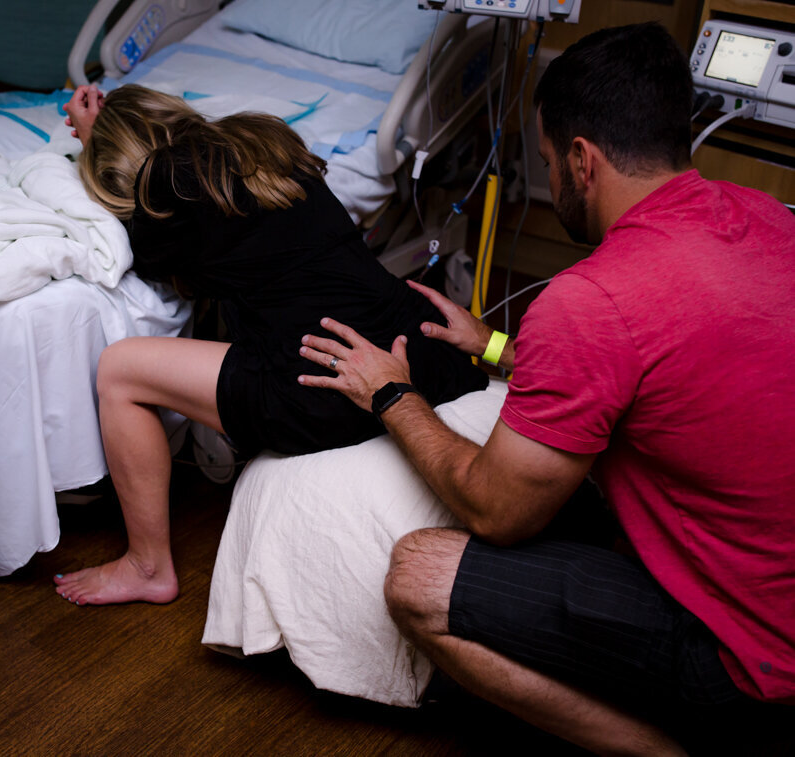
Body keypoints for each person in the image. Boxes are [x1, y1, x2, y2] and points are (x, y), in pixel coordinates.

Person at [297, 23, 794, 756]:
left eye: (549, 157)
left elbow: (498, 513)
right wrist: (495, 345)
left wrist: (392, 394)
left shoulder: (591, 298)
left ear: (582, 161)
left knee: (418, 576)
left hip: (753, 663)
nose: (553, 175)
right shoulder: (764, 218)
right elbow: (665, 365)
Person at [52, 83, 488, 606]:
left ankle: (147, 565)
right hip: (418, 349)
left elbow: (151, 259)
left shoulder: (166, 181)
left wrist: (96, 137)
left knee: (118, 371)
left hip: (325, 385)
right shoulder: (264, 140)